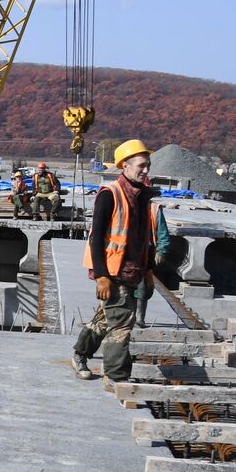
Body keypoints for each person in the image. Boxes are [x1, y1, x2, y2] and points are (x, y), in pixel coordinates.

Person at [72, 139, 159, 387]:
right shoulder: (110, 195)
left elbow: (146, 239)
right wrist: (101, 275)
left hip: (134, 271)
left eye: (148, 165)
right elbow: (96, 238)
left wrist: (149, 271)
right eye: (141, 165)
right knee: (122, 325)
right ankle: (116, 377)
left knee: (104, 319)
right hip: (112, 272)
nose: (145, 170)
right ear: (124, 165)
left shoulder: (143, 197)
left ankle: (79, 354)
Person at [134, 202, 171, 328]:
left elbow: (162, 232)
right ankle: (125, 318)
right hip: (124, 253)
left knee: (142, 287)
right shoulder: (123, 201)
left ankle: (139, 318)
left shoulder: (154, 208)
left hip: (145, 254)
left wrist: (162, 251)